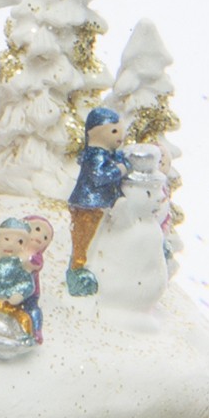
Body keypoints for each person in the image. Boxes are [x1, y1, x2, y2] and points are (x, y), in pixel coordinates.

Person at [65, 107, 129, 296]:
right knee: (84, 240)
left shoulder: (111, 154)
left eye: (120, 131)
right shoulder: (96, 155)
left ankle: (90, 270)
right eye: (114, 131)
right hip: (87, 205)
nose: (120, 136)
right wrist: (120, 170)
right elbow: (98, 177)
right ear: (96, 133)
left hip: (101, 206)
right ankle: (77, 275)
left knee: (96, 241)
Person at [22, 214, 54, 342]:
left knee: (32, 308)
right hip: (6, 285)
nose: (40, 237)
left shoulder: (36, 257)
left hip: (30, 292)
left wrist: (27, 261)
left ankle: (36, 330)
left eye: (45, 237)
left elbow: (36, 264)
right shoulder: (12, 248)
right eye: (37, 229)